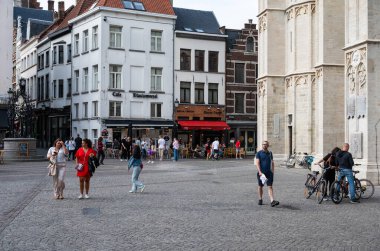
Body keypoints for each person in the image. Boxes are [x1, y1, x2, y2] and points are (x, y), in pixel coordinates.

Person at [255, 141, 279, 207]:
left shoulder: (270, 153)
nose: (264, 145)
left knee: (270, 186)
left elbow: (272, 162)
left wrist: (273, 171)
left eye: (266, 144)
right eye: (263, 144)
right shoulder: (259, 153)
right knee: (260, 186)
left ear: (268, 145)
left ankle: (272, 201)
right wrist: (259, 171)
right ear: (262, 145)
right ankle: (260, 199)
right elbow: (257, 163)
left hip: (269, 173)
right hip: (261, 173)